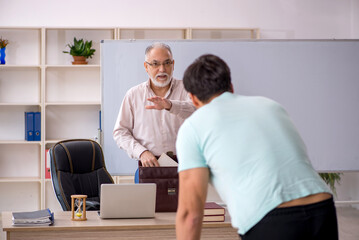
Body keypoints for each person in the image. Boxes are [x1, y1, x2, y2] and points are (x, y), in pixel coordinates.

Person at [175, 54, 338, 240]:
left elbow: (190, 214)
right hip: (322, 207)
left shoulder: (193, 127)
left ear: (193, 99)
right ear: (231, 87)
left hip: (270, 219)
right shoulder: (271, 106)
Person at [113, 42, 195, 172]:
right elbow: (120, 133)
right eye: (155, 64)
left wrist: (171, 105)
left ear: (173, 65)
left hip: (185, 167)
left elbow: (199, 113)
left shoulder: (188, 89)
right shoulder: (134, 95)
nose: (162, 69)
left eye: (167, 63)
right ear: (146, 66)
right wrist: (141, 152)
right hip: (148, 167)